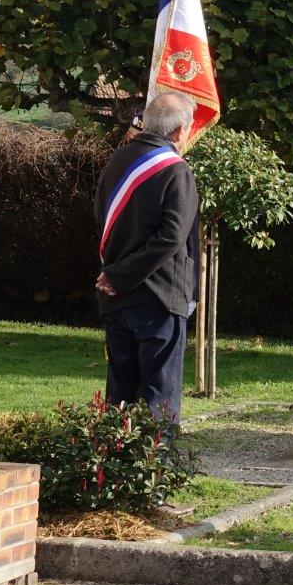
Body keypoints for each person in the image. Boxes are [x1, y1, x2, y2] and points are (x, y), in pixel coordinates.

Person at [94, 91, 200, 421]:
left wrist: (115, 274)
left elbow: (101, 219)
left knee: (120, 396)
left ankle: (114, 468)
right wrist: (123, 275)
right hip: (159, 297)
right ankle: (156, 471)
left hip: (115, 296)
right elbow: (171, 237)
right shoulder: (175, 171)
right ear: (181, 131)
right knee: (159, 396)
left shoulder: (116, 162)